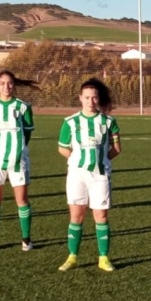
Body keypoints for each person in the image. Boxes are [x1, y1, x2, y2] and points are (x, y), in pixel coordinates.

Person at [57, 78, 121, 272]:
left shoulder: (109, 121)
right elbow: (62, 148)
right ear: (80, 98)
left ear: (98, 99)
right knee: (76, 216)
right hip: (77, 175)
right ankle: (72, 257)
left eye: (94, 97)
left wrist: (103, 161)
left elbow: (116, 148)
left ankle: (103, 258)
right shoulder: (70, 122)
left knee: (100, 215)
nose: (90, 101)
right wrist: (78, 161)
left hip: (100, 175)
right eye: (87, 97)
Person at [0, 70, 36, 251]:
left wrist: (19, 149)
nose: (7, 87)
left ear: (14, 85)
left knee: (21, 199)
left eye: (10, 83)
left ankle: (26, 239)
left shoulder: (23, 107)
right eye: (3, 83)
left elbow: (28, 131)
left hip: (18, 159)